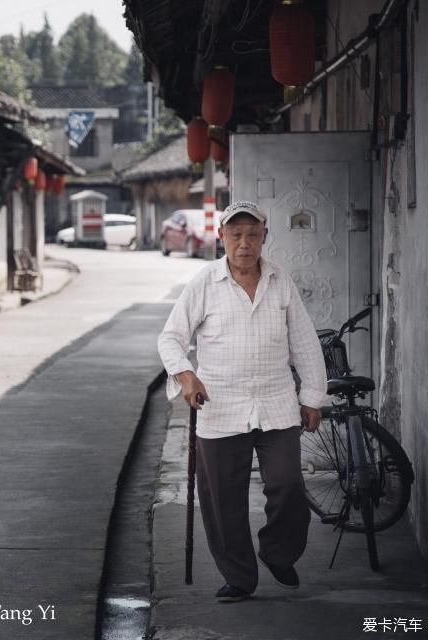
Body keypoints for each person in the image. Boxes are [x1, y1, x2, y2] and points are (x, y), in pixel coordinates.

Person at [157, 200, 327, 603]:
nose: (244, 243)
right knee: (222, 500)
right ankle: (239, 576)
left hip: (276, 402)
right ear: (222, 237)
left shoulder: (280, 280)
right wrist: (186, 375)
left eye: (253, 234)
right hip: (220, 405)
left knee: (287, 484)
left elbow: (303, 341)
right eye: (236, 234)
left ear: (265, 237)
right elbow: (171, 338)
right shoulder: (203, 283)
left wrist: (312, 397)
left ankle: (278, 552)